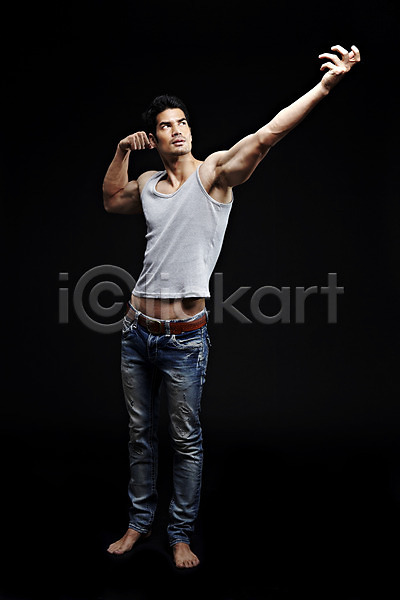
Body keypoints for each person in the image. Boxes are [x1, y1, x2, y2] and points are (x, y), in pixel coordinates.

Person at [102, 44, 360, 568]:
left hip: (183, 340)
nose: (178, 130)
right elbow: (110, 199)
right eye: (166, 126)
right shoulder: (148, 184)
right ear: (154, 138)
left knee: (185, 440)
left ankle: (179, 535)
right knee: (139, 436)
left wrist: (325, 87)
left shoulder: (215, 174)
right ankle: (137, 523)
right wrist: (122, 150)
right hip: (135, 331)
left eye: (183, 122)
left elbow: (267, 135)